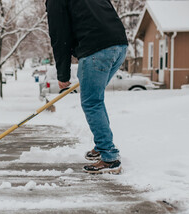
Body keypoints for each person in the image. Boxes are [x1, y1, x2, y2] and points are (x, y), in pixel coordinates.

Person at [46, 0, 128, 174]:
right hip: (119, 44)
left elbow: (60, 36)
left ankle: (109, 156)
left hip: (96, 50)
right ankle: (102, 146)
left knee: (92, 103)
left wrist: (63, 75)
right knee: (96, 100)